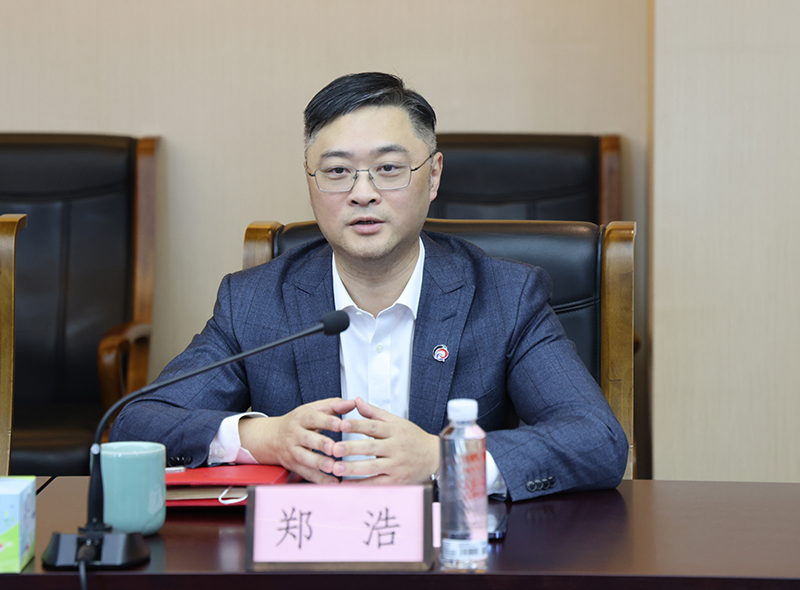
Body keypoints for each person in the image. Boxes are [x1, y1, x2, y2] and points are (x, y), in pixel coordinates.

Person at [111, 72, 627, 501]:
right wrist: (262, 436)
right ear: (311, 181)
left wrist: (443, 458)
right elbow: (137, 422)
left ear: (433, 176)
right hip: (306, 558)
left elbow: (598, 440)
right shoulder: (255, 302)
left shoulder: (504, 297)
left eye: (388, 169)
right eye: (337, 171)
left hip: (450, 560)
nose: (362, 193)